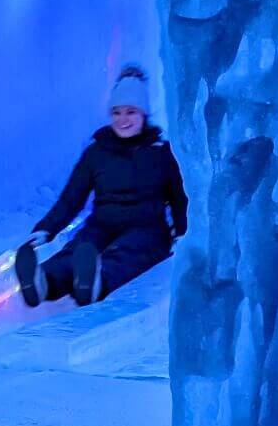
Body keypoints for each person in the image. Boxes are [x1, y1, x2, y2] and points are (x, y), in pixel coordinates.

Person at [14, 63, 187, 309]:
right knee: (80, 248)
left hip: (148, 228)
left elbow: (179, 198)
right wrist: (45, 229)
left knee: (127, 253)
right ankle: (43, 281)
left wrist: (183, 233)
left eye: (130, 112)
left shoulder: (161, 153)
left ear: (143, 114)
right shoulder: (96, 153)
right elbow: (71, 198)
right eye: (116, 112)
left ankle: (97, 282)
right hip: (103, 223)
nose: (123, 119)